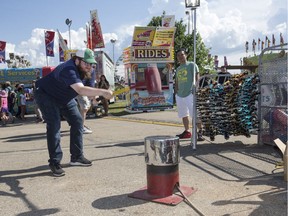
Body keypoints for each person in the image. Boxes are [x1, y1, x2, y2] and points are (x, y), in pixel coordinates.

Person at [35, 48, 113, 177]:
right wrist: (103, 92)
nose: (89, 66)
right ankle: (55, 162)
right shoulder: (68, 69)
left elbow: (89, 89)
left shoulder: (89, 71)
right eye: (86, 63)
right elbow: (81, 90)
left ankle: (76, 157)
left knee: (77, 121)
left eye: (91, 63)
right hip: (46, 95)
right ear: (77, 60)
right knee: (54, 126)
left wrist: (95, 99)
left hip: (64, 96)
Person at [175, 48, 203, 140]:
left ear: (186, 55)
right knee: (183, 114)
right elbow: (177, 81)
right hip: (180, 94)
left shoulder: (192, 65)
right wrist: (176, 93)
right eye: (178, 55)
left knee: (195, 114)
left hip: (190, 93)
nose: (180, 57)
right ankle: (187, 132)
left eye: (182, 55)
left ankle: (200, 131)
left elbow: (197, 77)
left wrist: (197, 89)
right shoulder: (178, 68)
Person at [76, 66, 96, 134]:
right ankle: (80, 127)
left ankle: (78, 125)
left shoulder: (80, 68)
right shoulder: (91, 70)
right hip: (80, 89)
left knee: (82, 108)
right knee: (84, 108)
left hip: (77, 89)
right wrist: (93, 98)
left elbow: (90, 84)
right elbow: (91, 85)